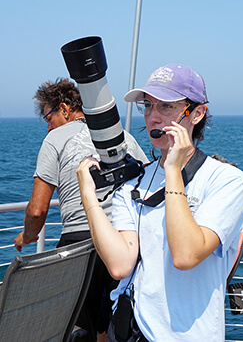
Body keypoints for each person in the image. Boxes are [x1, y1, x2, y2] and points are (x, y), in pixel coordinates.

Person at [76, 64, 243, 341]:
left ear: (196, 113)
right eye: (147, 106)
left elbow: (185, 255)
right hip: (133, 330)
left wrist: (172, 169)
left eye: (166, 107)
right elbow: (120, 265)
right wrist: (88, 197)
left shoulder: (227, 181)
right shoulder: (134, 182)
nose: (152, 117)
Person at [14, 78, 148, 342]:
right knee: (115, 322)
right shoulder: (122, 136)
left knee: (75, 326)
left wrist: (26, 237)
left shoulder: (55, 139)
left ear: (64, 109)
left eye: (48, 118)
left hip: (79, 246)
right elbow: (149, 182)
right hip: (126, 242)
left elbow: (38, 211)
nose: (48, 126)